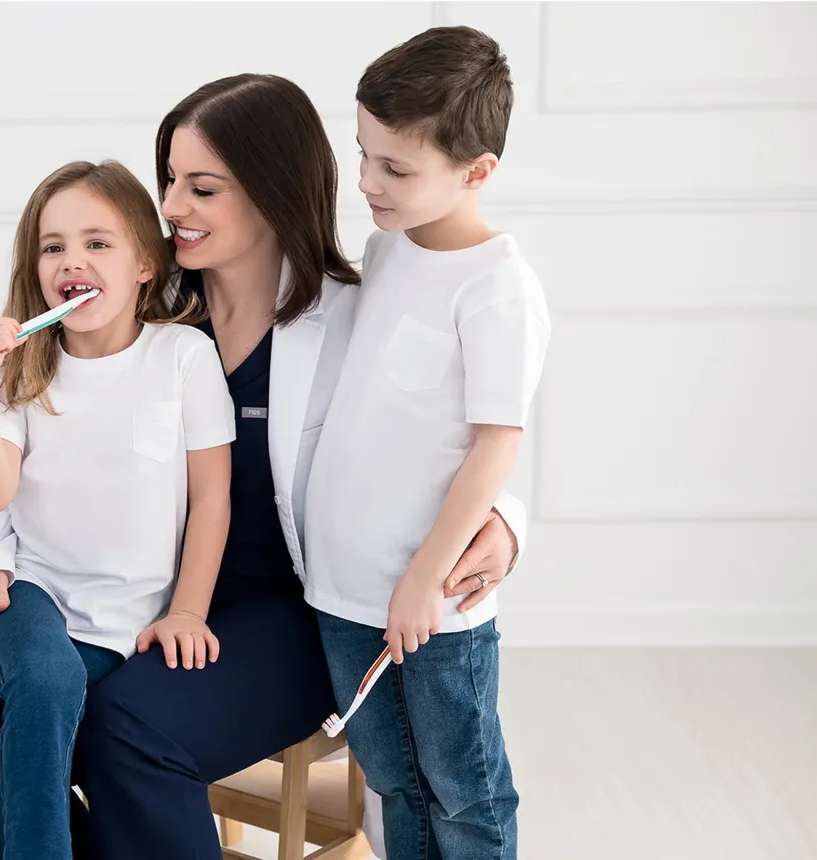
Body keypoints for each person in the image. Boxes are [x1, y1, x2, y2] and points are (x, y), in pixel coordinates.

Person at [0, 73, 529, 860]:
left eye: (202, 188)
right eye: (170, 181)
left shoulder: (353, 314)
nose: (173, 207)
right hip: (133, 602)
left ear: (269, 192)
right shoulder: (137, 312)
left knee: (123, 730)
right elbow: (40, 427)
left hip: (288, 613)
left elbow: (467, 426)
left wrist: (508, 524)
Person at [304, 27, 552, 860]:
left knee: (464, 792)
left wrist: (422, 578)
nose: (368, 183)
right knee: (392, 785)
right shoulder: (383, 252)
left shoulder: (497, 288)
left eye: (396, 169)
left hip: (434, 609)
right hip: (342, 595)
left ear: (477, 170)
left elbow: (496, 444)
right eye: (364, 156)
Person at [0, 159, 235, 860]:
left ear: (145, 261)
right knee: (47, 682)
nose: (71, 260)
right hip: (33, 600)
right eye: (53, 246)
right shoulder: (29, 370)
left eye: (96, 243)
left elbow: (212, 501)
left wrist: (189, 610)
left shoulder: (183, 358)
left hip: (124, 625)